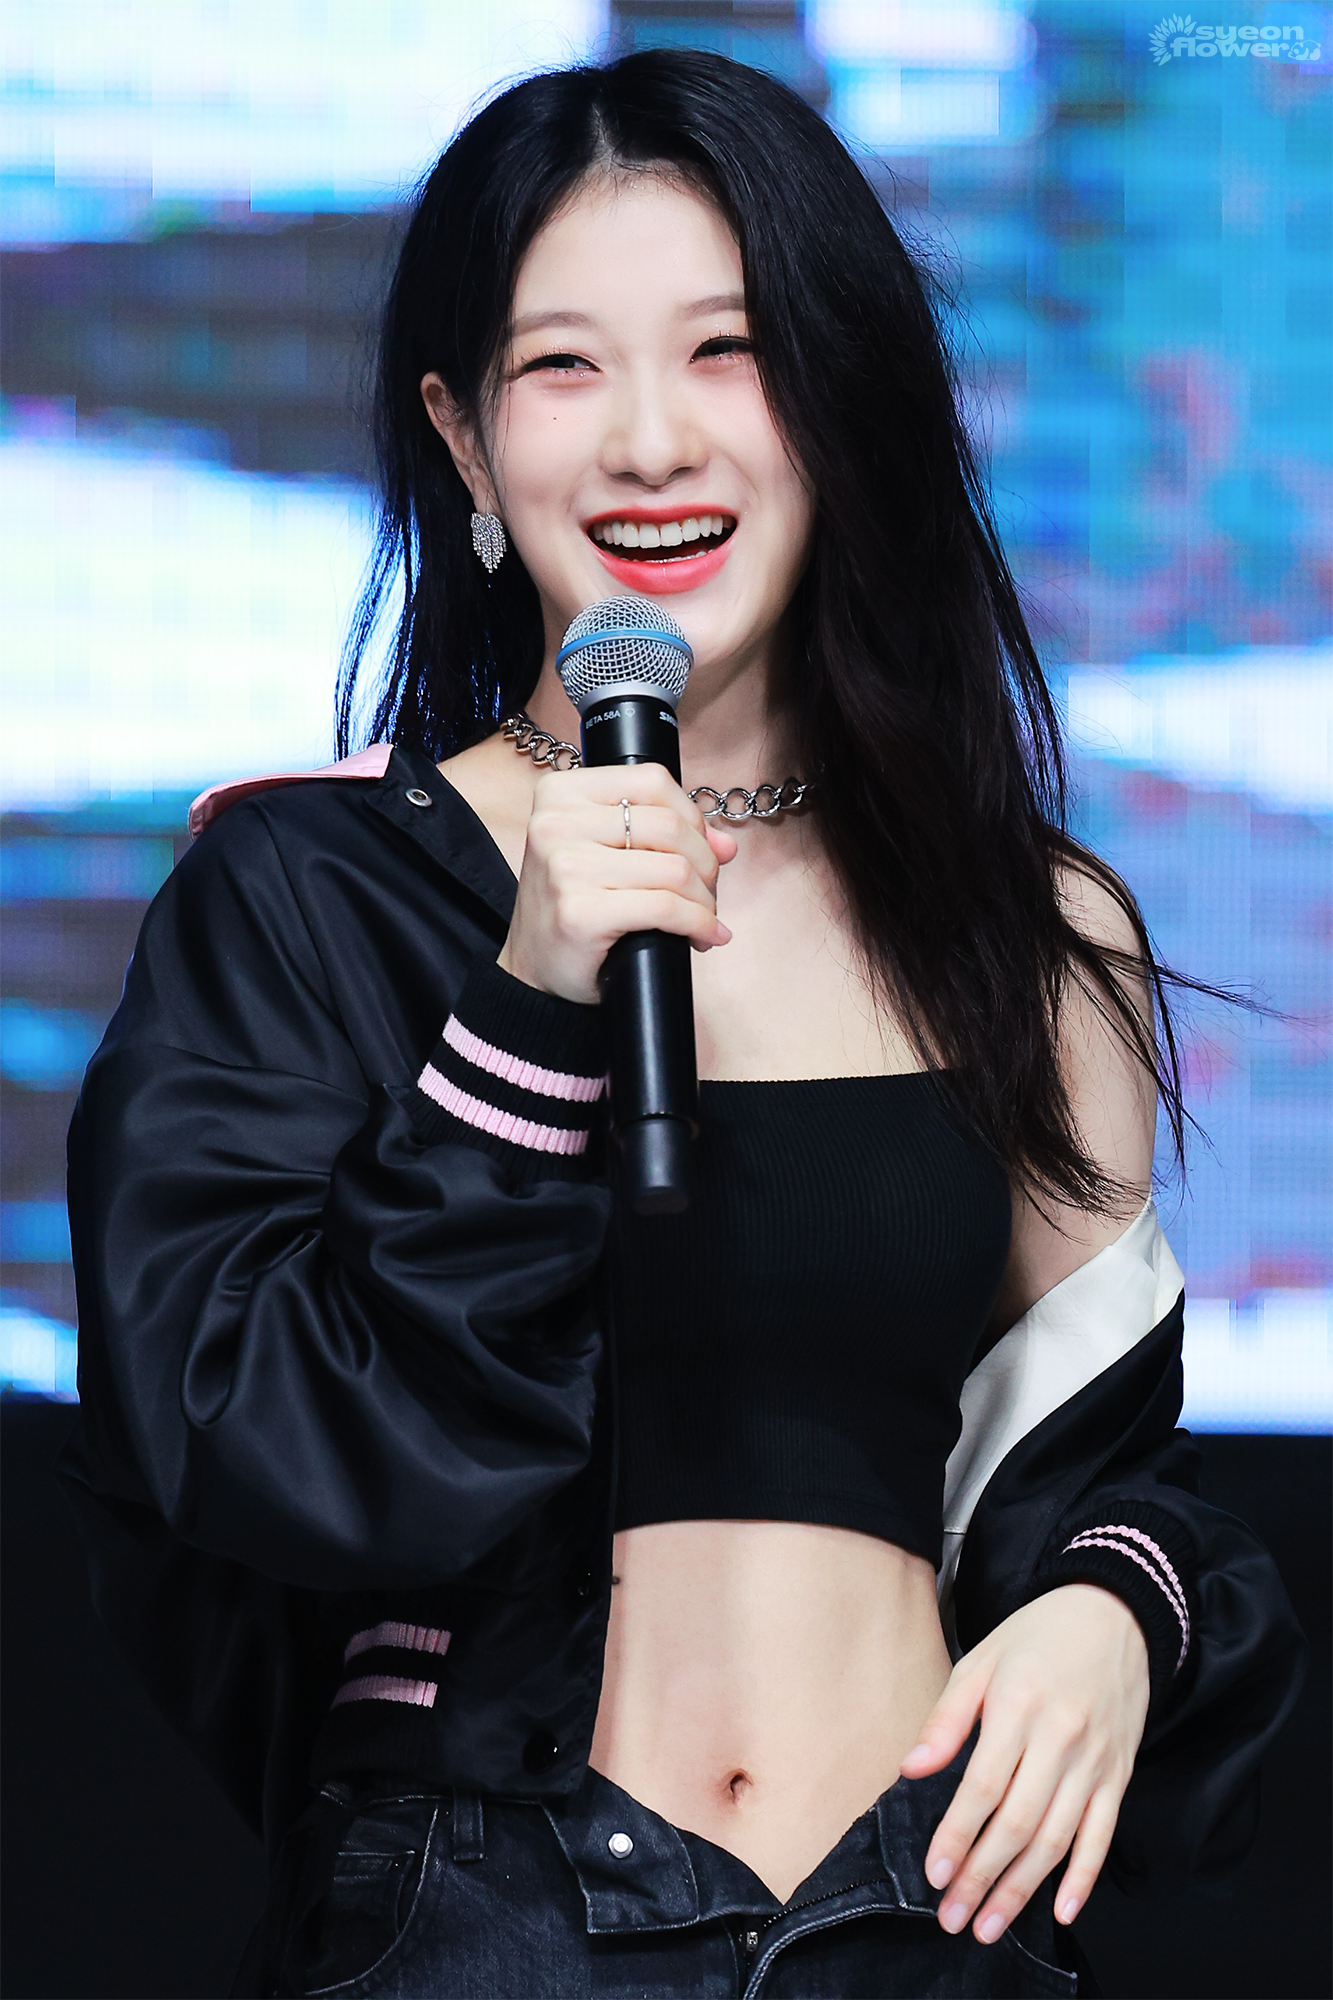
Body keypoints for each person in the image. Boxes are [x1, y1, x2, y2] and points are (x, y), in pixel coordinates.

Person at [59, 49, 1304, 2000]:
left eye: (728, 351)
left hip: (925, 1924)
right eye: (563, 368)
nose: (651, 441)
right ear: (466, 445)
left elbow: (1098, 1482)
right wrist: (533, 998)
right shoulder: (304, 896)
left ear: (840, 399)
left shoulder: (1032, 931)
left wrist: (1113, 1616)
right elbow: (254, 1449)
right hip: (490, 1926)